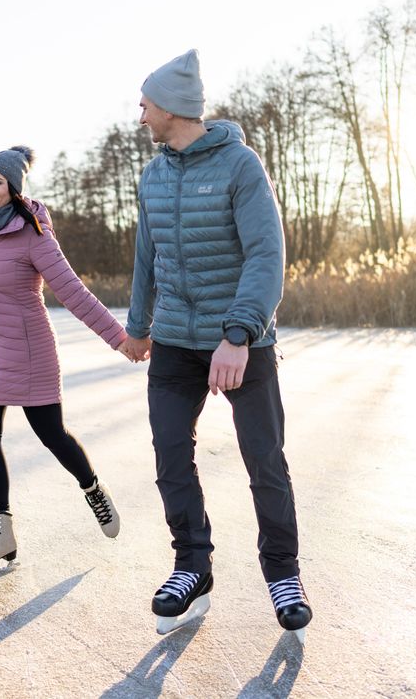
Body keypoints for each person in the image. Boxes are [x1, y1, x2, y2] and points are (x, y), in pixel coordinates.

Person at [119, 50, 312, 640]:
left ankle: (283, 574)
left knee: (264, 459)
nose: (140, 115)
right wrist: (139, 325)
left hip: (240, 342)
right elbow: (147, 258)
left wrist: (238, 335)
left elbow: (266, 256)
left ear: (171, 107)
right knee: (170, 455)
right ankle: (192, 565)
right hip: (175, 342)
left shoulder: (240, 166)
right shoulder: (153, 174)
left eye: (145, 105)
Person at [0, 145, 135, 577]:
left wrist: (118, 338)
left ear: (13, 188)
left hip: (30, 351)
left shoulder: (33, 233)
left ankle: (92, 488)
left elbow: (72, 291)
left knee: (52, 435)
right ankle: (0, 530)